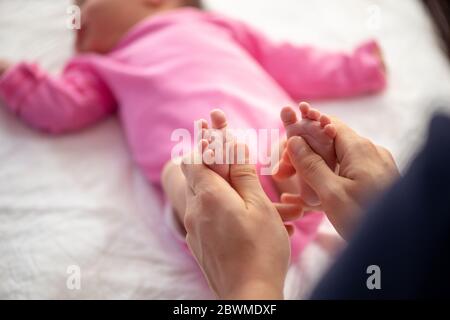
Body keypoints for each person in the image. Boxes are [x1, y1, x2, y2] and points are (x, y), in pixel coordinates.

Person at [0, 0, 387, 261]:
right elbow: (61, 108)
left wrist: (357, 67)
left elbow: (291, 61)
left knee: (289, 142)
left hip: (270, 151)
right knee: (183, 172)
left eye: (84, 3)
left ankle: (311, 184)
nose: (75, 19)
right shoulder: (102, 65)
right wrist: (9, 76)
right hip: (198, 173)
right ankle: (219, 214)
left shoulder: (213, 24)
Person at [181, 106, 450, 299]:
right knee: (184, 174)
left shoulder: (218, 26)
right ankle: (301, 176)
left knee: (273, 156)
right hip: (195, 144)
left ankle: (291, 174)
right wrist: (385, 218)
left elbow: (282, 53)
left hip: (252, 140)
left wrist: (250, 286)